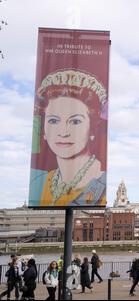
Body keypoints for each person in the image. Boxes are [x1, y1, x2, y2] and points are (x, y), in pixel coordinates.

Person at [29, 69, 108, 206]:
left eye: (75, 121)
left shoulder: (100, 181)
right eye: (53, 121)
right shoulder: (40, 182)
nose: (63, 132)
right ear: (44, 131)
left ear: (93, 128)